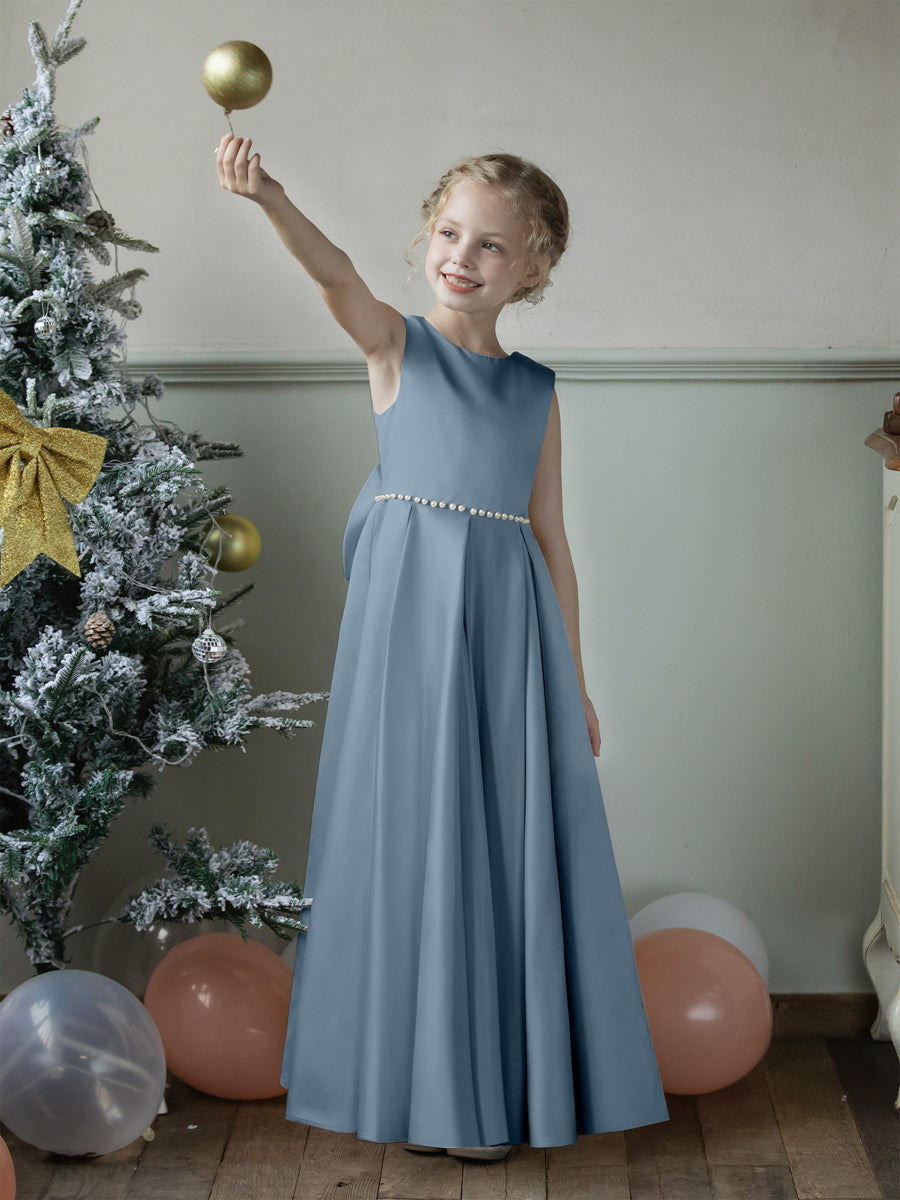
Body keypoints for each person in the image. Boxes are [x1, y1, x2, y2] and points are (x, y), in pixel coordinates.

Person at [216, 136, 668, 1158]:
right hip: (408, 631)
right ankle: (416, 1090)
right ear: (428, 234)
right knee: (415, 838)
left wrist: (574, 682)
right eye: (451, 234)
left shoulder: (536, 390)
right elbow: (337, 277)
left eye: (492, 246)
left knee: (494, 846)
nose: (463, 257)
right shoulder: (397, 347)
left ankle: (486, 1096)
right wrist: (272, 197)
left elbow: (552, 540)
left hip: (508, 636)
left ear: (534, 269)